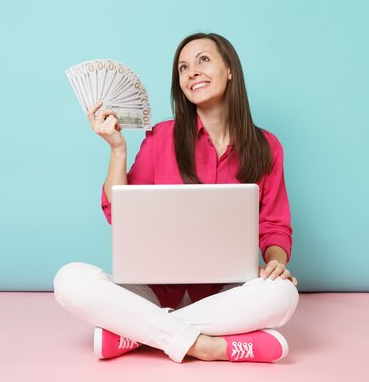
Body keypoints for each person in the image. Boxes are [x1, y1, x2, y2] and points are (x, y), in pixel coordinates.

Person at [54, 33, 299, 364]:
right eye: (183, 67)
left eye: (203, 60)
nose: (192, 72)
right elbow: (119, 212)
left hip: (223, 293)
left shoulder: (267, 147)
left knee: (282, 294)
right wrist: (117, 148)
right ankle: (210, 345)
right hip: (152, 290)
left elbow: (274, 226)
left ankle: (138, 333)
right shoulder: (162, 138)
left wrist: (275, 263)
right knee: (69, 280)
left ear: (229, 70)